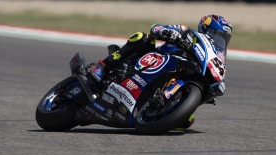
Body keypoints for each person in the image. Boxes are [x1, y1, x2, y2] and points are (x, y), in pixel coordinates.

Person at [89, 14, 232, 130]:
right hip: (152, 59)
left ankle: (158, 106)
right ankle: (103, 67)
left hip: (174, 76)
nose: (217, 40)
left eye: (223, 38)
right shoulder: (187, 32)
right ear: (205, 29)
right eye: (215, 34)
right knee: (142, 38)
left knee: (186, 122)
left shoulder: (213, 57)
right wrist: (169, 33)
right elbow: (155, 28)